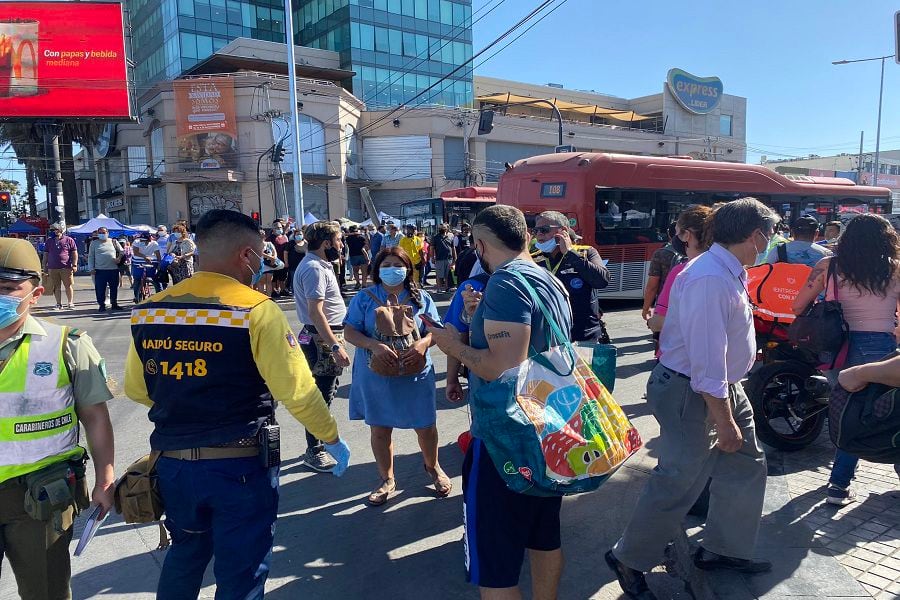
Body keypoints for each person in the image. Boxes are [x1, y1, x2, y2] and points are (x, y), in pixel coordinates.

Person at [124, 209, 351, 599]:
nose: (264, 263)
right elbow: (296, 390)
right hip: (241, 465)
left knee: (185, 556)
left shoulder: (151, 309)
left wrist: (185, 397)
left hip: (174, 464)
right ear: (246, 255)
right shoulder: (255, 310)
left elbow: (137, 389)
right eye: (262, 254)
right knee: (241, 571)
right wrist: (329, 436)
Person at [607, 198, 778, 600]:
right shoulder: (710, 278)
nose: (770, 242)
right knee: (679, 481)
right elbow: (705, 358)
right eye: (768, 236)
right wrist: (724, 419)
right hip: (696, 391)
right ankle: (628, 558)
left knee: (747, 465)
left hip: (718, 387)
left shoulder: (725, 270)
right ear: (755, 236)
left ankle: (724, 548)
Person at [426, 205, 573, 598]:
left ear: (478, 244)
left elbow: (503, 366)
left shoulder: (506, 283)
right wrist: (479, 319)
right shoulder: (545, 278)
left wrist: (451, 343)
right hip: (548, 430)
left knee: (495, 564)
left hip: (505, 440)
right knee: (543, 537)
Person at [0, 237, 115, 600]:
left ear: (35, 295)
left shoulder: (66, 344)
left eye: (7, 288)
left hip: (36, 499)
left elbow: (95, 417)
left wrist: (105, 480)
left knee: (46, 594)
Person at [791, 213, 900, 506]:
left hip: (835, 346)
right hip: (881, 347)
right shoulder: (896, 270)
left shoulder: (828, 266)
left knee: (847, 413)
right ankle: (840, 484)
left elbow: (798, 305)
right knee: (886, 415)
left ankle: (838, 486)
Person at [343, 246, 450, 506]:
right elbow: (349, 331)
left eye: (398, 264)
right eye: (387, 265)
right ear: (378, 270)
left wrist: (424, 344)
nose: (393, 270)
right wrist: (373, 345)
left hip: (415, 373)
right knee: (380, 427)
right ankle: (386, 478)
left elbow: (436, 331)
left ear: (408, 269)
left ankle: (433, 467)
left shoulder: (421, 297)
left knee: (425, 426)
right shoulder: (365, 298)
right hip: (376, 375)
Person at [293, 221, 351, 472]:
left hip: (321, 337)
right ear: (326, 243)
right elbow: (316, 312)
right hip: (321, 340)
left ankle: (317, 443)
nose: (341, 245)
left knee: (324, 393)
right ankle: (314, 449)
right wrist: (335, 346)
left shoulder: (319, 265)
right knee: (321, 397)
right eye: (338, 241)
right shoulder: (315, 268)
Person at [532, 210, 611, 343]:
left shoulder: (586, 252)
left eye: (544, 229)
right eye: (536, 230)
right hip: (548, 337)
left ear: (562, 231)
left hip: (583, 336)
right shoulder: (534, 259)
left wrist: (570, 254)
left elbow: (601, 281)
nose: (539, 234)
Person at [647, 205, 714, 336]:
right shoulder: (725, 268)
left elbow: (660, 322)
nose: (675, 239)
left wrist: (651, 321)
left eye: (677, 233)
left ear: (686, 235)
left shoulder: (682, 272)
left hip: (679, 350)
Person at [641, 222, 679, 321]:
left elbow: (652, 287)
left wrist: (646, 308)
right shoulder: (698, 253)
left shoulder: (661, 253)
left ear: (668, 233)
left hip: (665, 304)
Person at [765, 215, 831, 268]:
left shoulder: (778, 250)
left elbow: (766, 271)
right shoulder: (827, 254)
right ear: (816, 233)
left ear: (792, 232)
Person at [87, 227, 125, 313]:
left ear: (107, 233)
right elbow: (91, 256)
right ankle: (101, 305)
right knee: (100, 289)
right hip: (100, 270)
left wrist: (118, 258)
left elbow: (122, 251)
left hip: (113, 269)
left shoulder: (113, 241)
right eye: (100, 233)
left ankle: (114, 304)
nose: (102, 234)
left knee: (114, 288)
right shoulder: (94, 243)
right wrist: (91, 268)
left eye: (104, 232)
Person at [41, 222, 78, 310]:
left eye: (56, 229)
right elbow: (45, 254)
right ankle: (58, 304)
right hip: (52, 268)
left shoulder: (69, 240)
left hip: (66, 267)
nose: (54, 231)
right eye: (52, 230)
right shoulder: (49, 241)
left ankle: (70, 303)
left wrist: (75, 264)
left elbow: (74, 253)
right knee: (56, 287)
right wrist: (44, 266)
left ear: (60, 229)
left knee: (68, 286)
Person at [132, 232, 163, 301]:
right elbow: (135, 252)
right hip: (138, 260)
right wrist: (145, 257)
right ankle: (136, 297)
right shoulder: (136, 242)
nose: (142, 241)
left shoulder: (154, 243)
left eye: (144, 240)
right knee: (137, 279)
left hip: (151, 261)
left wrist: (159, 264)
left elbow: (158, 255)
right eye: (141, 240)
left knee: (155, 279)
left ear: (149, 239)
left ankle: (160, 295)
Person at [431, 224, 457, 293]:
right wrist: (432, 257)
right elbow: (432, 248)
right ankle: (439, 288)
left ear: (446, 228)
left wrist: (455, 257)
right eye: (440, 228)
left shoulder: (451, 236)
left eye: (443, 227)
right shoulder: (435, 237)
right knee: (439, 275)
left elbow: (453, 247)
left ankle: (447, 288)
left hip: (449, 258)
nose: (441, 229)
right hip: (439, 259)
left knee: (447, 275)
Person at [345, 224, 370, 289]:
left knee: (355, 271)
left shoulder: (348, 238)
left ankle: (358, 283)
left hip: (353, 255)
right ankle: (364, 284)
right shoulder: (362, 237)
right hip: (362, 255)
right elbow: (367, 245)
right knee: (364, 271)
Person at [269, 222, 290, 298]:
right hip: (274, 260)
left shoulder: (284, 237)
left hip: (283, 260)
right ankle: (274, 291)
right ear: (273, 229)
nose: (279, 229)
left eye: (280, 227)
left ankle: (282, 290)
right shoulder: (271, 238)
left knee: (283, 277)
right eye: (277, 228)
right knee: (274, 277)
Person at [285, 227, 308, 294]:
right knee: (294, 279)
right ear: (294, 235)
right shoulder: (291, 243)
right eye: (297, 234)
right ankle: (294, 292)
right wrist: (286, 262)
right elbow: (285, 252)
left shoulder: (306, 243)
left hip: (304, 265)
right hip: (293, 265)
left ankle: (303, 292)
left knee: (304, 279)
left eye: (300, 234)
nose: (299, 236)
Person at [255, 228, 276, 296]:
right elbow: (260, 253)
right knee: (263, 282)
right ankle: (266, 297)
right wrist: (272, 258)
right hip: (264, 265)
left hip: (266, 265)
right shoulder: (259, 245)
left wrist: (274, 258)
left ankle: (266, 297)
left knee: (266, 282)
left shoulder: (267, 244)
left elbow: (274, 252)